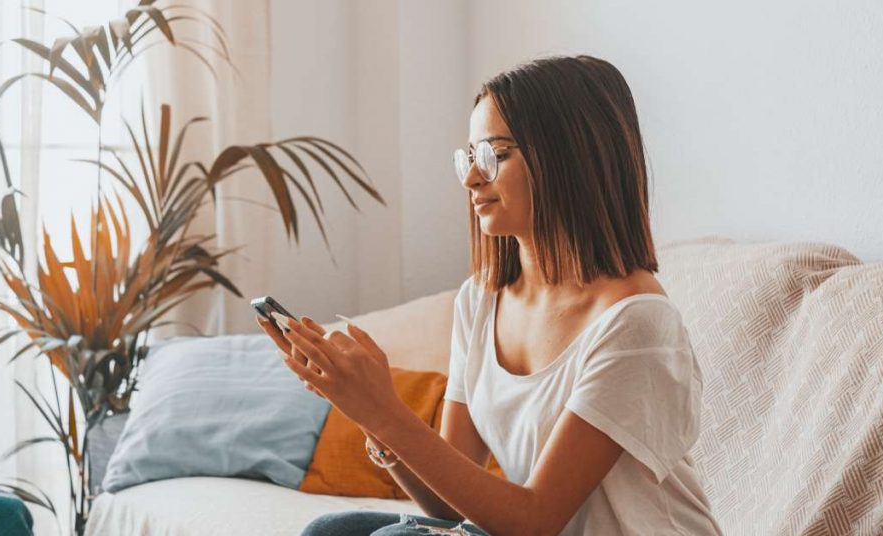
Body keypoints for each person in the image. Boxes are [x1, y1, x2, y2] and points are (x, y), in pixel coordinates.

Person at [256, 55, 723, 536]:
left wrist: (386, 411)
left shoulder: (636, 322)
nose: (470, 178)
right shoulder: (480, 301)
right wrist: (366, 413)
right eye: (469, 157)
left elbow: (535, 518)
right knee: (333, 531)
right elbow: (446, 505)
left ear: (568, 155)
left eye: (494, 155)